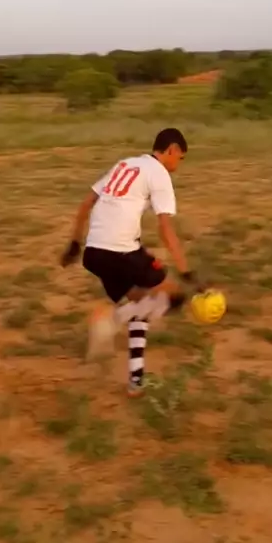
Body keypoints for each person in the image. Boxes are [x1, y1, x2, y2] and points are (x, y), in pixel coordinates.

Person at [60, 128, 199, 396]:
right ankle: (110, 321)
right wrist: (186, 271)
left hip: (94, 253)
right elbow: (165, 229)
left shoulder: (125, 164)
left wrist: (74, 245)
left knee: (140, 304)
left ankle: (136, 379)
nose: (178, 165)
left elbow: (86, 204)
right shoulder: (158, 172)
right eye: (180, 158)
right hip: (121, 251)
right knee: (173, 295)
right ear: (171, 150)